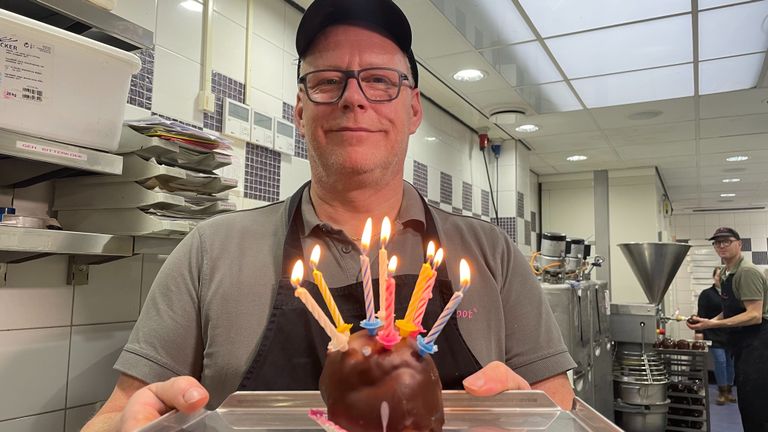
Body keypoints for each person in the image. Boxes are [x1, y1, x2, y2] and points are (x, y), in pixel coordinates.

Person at [82, 1, 576, 430]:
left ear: (414, 110)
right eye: (327, 81)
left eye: (379, 80)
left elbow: (560, 405)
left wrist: (536, 417)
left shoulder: (490, 253)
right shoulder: (211, 251)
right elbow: (116, 414)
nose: (352, 98)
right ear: (300, 111)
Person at [688, 227, 768, 432]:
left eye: (727, 241)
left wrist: (712, 325)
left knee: (757, 403)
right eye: (717, 242)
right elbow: (731, 310)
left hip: (759, 342)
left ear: (739, 244)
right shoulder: (725, 273)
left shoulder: (746, 272)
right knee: (747, 401)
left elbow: (754, 315)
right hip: (742, 342)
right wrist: (706, 321)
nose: (721, 245)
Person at [694, 267, 736, 405]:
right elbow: (701, 314)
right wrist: (699, 333)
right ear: (714, 277)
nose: (720, 279)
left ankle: (729, 391)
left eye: (723, 277)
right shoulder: (706, 294)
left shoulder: (731, 293)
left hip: (729, 334)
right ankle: (722, 392)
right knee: (720, 361)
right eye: (718, 276)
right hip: (713, 333)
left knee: (730, 363)